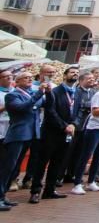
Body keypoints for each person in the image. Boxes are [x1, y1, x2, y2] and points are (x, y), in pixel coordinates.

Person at [28, 65, 78, 202]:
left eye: (77, 73)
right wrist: (64, 126)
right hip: (51, 132)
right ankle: (35, 191)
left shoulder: (76, 92)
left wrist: (73, 124)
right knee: (42, 162)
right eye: (72, 72)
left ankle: (50, 190)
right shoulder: (55, 91)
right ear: (64, 75)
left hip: (67, 132)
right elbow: (50, 111)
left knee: (58, 162)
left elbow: (77, 112)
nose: (75, 74)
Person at [0, 71, 49, 210]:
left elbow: (42, 103)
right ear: (17, 81)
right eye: (25, 78)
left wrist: (48, 92)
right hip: (18, 134)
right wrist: (39, 93)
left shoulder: (32, 94)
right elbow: (22, 107)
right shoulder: (12, 95)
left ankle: (3, 195)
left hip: (31, 134)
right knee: (7, 167)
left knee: (14, 168)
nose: (29, 80)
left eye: (30, 78)